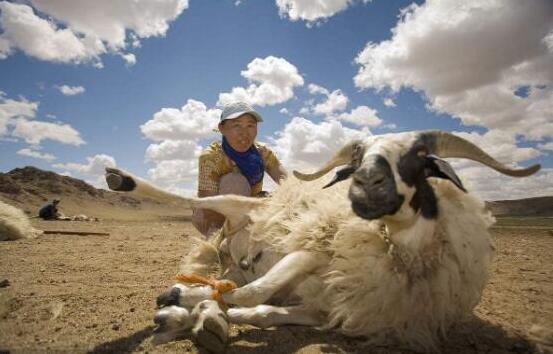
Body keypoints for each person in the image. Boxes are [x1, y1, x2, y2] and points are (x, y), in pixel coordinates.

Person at [192, 102, 287, 236]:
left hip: (248, 210)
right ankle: (222, 240)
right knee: (234, 182)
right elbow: (209, 206)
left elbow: (287, 182)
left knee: (277, 199)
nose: (244, 132)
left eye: (250, 125)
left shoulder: (262, 152)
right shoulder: (211, 157)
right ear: (222, 128)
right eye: (237, 125)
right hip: (211, 216)